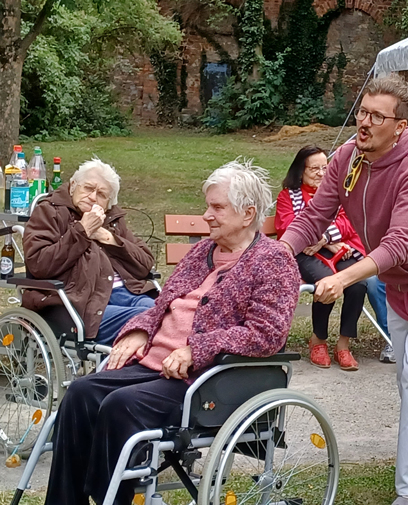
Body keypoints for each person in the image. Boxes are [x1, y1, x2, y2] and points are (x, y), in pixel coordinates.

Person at [44, 159, 301, 505]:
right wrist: (139, 330)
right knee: (80, 393)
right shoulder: (201, 252)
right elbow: (161, 303)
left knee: (120, 405)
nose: (207, 215)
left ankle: (113, 500)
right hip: (153, 364)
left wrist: (198, 349)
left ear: (247, 213)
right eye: (207, 205)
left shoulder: (273, 262)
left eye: (217, 207)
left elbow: (267, 333)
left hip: (203, 379)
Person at [280, 74, 408, 505]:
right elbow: (314, 217)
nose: (363, 123)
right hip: (399, 281)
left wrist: (343, 277)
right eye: (362, 112)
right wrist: (279, 254)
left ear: (400, 126)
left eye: (376, 116)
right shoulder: (349, 155)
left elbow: (401, 243)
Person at [24, 158, 156, 345]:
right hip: (79, 303)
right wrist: (82, 231)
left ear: (109, 203)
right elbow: (40, 264)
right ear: (72, 186)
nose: (93, 197)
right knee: (149, 319)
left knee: (166, 313)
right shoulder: (50, 212)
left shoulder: (112, 219)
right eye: (88, 188)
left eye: (101, 194)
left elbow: (145, 264)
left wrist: (108, 238)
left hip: (127, 294)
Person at [275, 145, 367, 371]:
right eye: (314, 169)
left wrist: (324, 238)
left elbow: (348, 222)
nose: (321, 173)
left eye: (325, 168)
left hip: (333, 247)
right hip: (303, 254)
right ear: (300, 171)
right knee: (325, 282)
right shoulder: (288, 196)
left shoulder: (338, 193)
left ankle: (344, 344)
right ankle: (319, 340)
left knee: (358, 283)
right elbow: (289, 227)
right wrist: (327, 239)